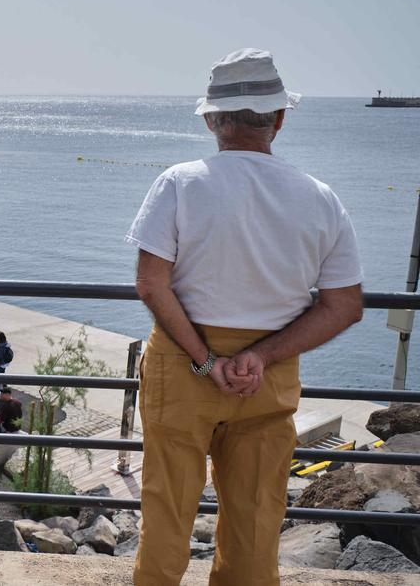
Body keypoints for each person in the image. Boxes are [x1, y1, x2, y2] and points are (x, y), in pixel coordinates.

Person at [126, 49, 363, 584]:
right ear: (280, 118)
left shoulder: (180, 183)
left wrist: (207, 360)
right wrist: (260, 356)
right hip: (267, 376)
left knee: (166, 520)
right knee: (256, 528)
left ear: (212, 120)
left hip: (184, 366)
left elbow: (150, 283)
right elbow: (343, 305)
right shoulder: (321, 199)